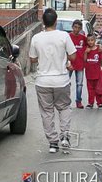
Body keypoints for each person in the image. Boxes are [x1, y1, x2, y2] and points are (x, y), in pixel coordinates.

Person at [29, 8, 77, 153]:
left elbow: (32, 59)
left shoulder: (36, 38)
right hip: (61, 80)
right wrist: (65, 59)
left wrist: (42, 58)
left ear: (43, 22)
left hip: (42, 81)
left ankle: (53, 143)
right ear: (56, 21)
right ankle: (65, 135)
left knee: (47, 112)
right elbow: (73, 56)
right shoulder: (64, 36)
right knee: (64, 107)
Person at [68, 19, 87, 109]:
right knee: (66, 83)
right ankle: (66, 102)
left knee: (79, 84)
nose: (77, 29)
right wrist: (67, 63)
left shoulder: (83, 38)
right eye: (75, 27)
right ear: (72, 27)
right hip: (69, 65)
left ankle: (78, 101)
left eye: (79, 28)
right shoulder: (68, 37)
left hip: (80, 64)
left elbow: (90, 45)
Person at [83, 34, 102, 109]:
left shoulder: (98, 49)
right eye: (88, 40)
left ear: (95, 40)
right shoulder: (86, 49)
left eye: (92, 40)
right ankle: (90, 103)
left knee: (98, 89)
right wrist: (86, 52)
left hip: (97, 74)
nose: (90, 42)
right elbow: (84, 60)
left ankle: (99, 103)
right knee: (90, 90)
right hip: (89, 74)